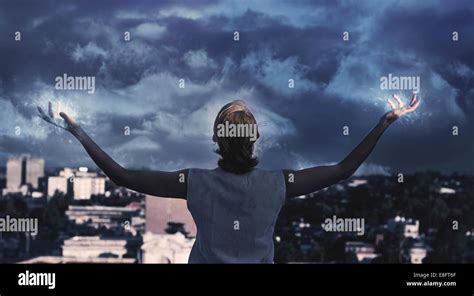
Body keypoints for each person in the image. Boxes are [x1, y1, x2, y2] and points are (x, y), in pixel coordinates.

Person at [38, 94, 420, 263]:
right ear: (255, 141)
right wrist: (385, 121)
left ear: (217, 141)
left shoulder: (194, 182)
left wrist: (76, 130)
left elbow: (119, 175)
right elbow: (344, 169)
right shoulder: (279, 183)